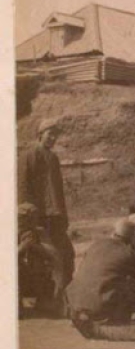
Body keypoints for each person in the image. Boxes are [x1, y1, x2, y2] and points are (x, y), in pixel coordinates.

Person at [17, 118, 76, 316]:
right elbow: (23, 189)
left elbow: (58, 190)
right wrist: (27, 218)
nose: (52, 138)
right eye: (49, 134)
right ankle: (43, 301)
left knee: (66, 254)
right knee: (40, 259)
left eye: (55, 135)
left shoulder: (53, 158)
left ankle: (59, 300)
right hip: (37, 218)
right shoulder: (28, 156)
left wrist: (63, 215)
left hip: (55, 217)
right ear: (40, 134)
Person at [66, 219, 135, 341]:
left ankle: (85, 315)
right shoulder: (128, 253)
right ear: (133, 237)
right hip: (98, 305)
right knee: (131, 285)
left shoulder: (96, 245)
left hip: (74, 303)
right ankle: (116, 322)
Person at [18, 202, 64, 315]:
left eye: (32, 219)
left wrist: (37, 247)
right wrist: (21, 248)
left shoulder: (39, 232)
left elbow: (54, 255)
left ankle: (44, 300)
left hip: (36, 277)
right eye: (23, 219)